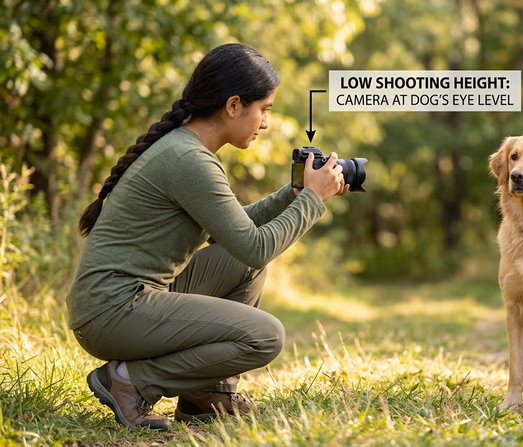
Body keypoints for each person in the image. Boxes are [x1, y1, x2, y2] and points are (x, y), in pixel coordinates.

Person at [66, 43, 347, 432]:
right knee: (265, 336)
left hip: (131, 297)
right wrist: (315, 200)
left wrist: (294, 193)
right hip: (112, 311)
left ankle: (205, 395)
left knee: (245, 266)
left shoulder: (188, 150)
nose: (265, 122)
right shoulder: (189, 160)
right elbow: (255, 243)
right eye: (263, 109)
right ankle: (130, 382)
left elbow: (237, 237)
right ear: (233, 106)